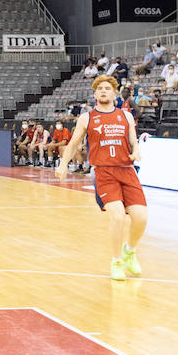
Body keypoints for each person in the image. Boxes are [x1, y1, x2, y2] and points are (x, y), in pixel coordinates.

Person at [56, 75, 148, 281]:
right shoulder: (87, 118)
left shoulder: (126, 117)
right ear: (95, 94)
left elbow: (134, 142)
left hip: (127, 170)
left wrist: (136, 152)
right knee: (117, 216)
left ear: (114, 92)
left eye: (107, 88)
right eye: (100, 89)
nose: (103, 91)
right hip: (104, 171)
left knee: (141, 217)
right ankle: (116, 262)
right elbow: (72, 144)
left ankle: (130, 251)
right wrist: (63, 164)